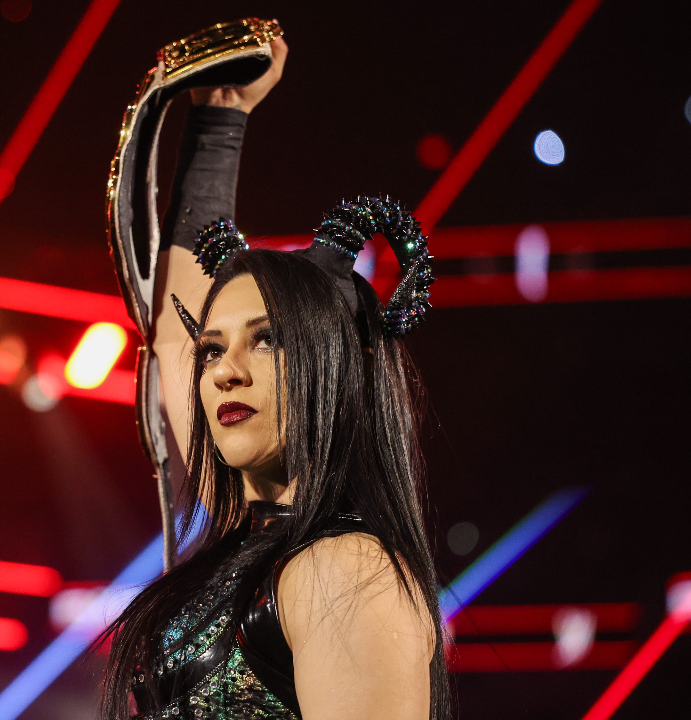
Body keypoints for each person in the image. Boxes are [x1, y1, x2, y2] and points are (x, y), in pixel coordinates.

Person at [100, 32, 449, 720]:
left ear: (335, 365)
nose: (224, 371)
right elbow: (173, 330)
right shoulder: (255, 551)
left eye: (266, 342)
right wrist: (218, 121)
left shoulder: (345, 569)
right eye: (214, 350)